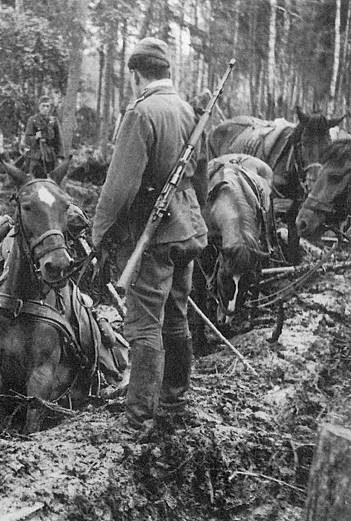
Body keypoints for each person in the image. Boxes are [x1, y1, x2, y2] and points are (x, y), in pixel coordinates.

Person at [91, 37, 208, 430]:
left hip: (152, 234)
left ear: (136, 74)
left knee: (144, 324)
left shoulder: (142, 112)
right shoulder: (188, 110)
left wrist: (100, 232)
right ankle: (175, 401)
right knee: (176, 314)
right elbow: (202, 176)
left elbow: (120, 185)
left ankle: (138, 417)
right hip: (187, 230)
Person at [20, 96, 63, 178]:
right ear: (39, 106)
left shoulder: (54, 121)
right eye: (43, 106)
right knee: (33, 178)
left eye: (47, 106)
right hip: (35, 155)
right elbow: (27, 139)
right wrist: (36, 137)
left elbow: (59, 140)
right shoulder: (32, 120)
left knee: (51, 179)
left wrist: (60, 157)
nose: (45, 108)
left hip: (50, 156)